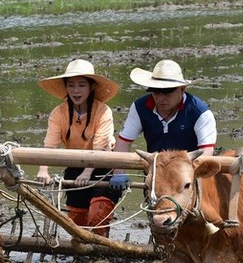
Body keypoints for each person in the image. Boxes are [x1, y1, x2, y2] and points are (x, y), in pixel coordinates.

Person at [36, 59, 121, 237]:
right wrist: (43, 170)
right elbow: (50, 146)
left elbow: (99, 147)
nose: (76, 91)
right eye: (71, 85)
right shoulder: (58, 113)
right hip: (75, 166)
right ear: (66, 88)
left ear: (91, 87)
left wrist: (87, 173)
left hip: (103, 167)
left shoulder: (103, 111)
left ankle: (100, 248)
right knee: (77, 224)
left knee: (97, 217)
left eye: (81, 85)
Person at [110, 59, 217, 193]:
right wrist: (118, 172)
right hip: (155, 177)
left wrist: (189, 177)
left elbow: (206, 152)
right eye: (156, 91)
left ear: (182, 89)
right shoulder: (139, 107)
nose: (160, 98)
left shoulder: (199, 112)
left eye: (167, 92)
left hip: (186, 180)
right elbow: (123, 142)